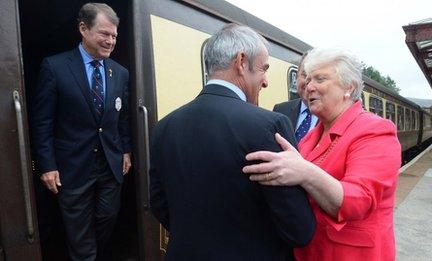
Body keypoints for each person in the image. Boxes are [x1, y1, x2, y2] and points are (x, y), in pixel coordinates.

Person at [150, 23, 315, 261]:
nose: (265, 81)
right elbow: (299, 229)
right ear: (241, 62)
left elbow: (159, 203)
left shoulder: (165, 126)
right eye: (263, 69)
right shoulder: (269, 125)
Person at [243, 48, 401, 260]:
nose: (309, 87)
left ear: (349, 87)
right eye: (307, 80)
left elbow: (358, 200)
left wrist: (305, 172)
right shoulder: (311, 137)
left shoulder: (375, 131)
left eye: (320, 79)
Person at [31, 3, 131, 260]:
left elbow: (123, 119)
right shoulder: (55, 67)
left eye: (114, 36)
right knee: (79, 232)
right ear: (83, 29)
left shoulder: (120, 73)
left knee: (107, 218)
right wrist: (46, 165)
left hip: (110, 164)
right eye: (105, 34)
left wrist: (126, 150)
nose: (111, 41)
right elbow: (42, 121)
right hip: (71, 167)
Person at [273, 53, 318, 143]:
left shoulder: (334, 116)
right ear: (296, 76)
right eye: (305, 75)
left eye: (317, 78)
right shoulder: (280, 109)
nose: (308, 83)